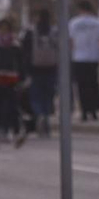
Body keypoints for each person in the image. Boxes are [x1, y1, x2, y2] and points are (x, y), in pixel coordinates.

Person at [66, 0, 99, 121]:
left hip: (79, 58)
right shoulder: (98, 23)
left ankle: (84, 111)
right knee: (93, 84)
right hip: (93, 57)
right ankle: (94, 110)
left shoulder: (74, 23)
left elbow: (71, 42)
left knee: (81, 86)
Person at [22, 8, 61, 136]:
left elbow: (24, 51)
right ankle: (46, 118)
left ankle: (38, 114)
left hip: (35, 69)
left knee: (36, 95)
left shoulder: (31, 32)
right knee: (48, 95)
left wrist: (25, 70)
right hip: (51, 68)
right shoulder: (55, 32)